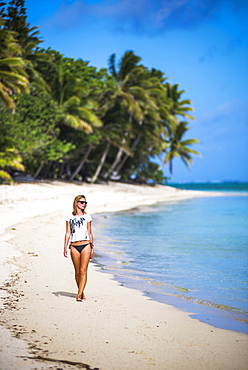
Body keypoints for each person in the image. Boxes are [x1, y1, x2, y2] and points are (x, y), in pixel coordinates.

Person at [64, 195, 94, 301]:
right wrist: (65, 247)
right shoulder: (69, 217)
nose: (84, 204)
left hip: (86, 245)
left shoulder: (87, 216)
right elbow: (68, 233)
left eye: (85, 203)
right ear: (76, 203)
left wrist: (92, 248)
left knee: (83, 271)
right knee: (77, 272)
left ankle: (79, 293)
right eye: (82, 202)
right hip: (74, 246)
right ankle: (81, 291)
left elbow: (90, 233)